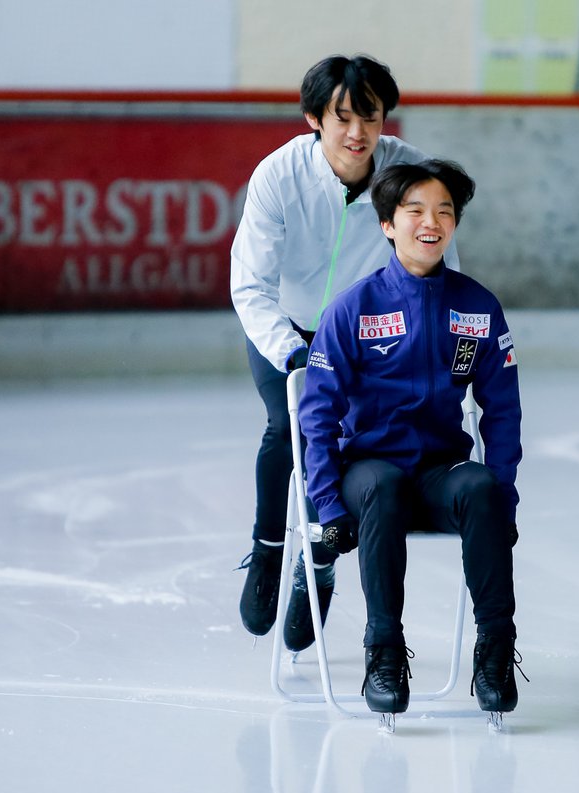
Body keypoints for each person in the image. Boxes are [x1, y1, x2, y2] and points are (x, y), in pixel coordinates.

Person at [230, 55, 460, 650]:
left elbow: (439, 263)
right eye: (343, 118)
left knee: (359, 440)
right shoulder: (278, 176)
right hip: (292, 327)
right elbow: (250, 285)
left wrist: (437, 341)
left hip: (370, 331)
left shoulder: (408, 172)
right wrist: (293, 354)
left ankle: (321, 563)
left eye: (372, 117)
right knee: (292, 429)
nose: (358, 133)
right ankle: (268, 549)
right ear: (314, 118)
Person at [297, 159, 525, 720]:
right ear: (387, 225)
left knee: (481, 488)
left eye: (444, 211)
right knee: (384, 487)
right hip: (369, 471)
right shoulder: (353, 308)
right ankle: (384, 654)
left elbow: (502, 408)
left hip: (441, 469)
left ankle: (494, 656)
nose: (432, 221)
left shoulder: (477, 306)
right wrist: (326, 501)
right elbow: (318, 414)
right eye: (416, 210)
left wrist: (504, 492)